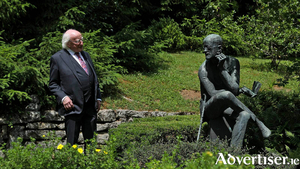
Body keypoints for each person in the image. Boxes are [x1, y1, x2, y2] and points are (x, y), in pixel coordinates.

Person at [198, 34, 271, 147]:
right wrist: (228, 94)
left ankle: (234, 153)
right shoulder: (203, 69)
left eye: (208, 47)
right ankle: (258, 122)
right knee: (226, 94)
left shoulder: (233, 63)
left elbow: (235, 89)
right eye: (204, 47)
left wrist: (222, 70)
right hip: (210, 108)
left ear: (219, 48)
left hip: (228, 106)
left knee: (244, 115)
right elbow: (213, 94)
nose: (204, 50)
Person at [49, 29, 101, 145]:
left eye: (81, 39)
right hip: (72, 107)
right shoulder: (58, 58)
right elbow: (53, 84)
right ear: (68, 44)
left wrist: (98, 97)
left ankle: (91, 163)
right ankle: (71, 163)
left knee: (91, 142)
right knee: (72, 143)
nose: (81, 43)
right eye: (77, 41)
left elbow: (94, 78)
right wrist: (64, 98)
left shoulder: (85, 55)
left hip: (90, 107)